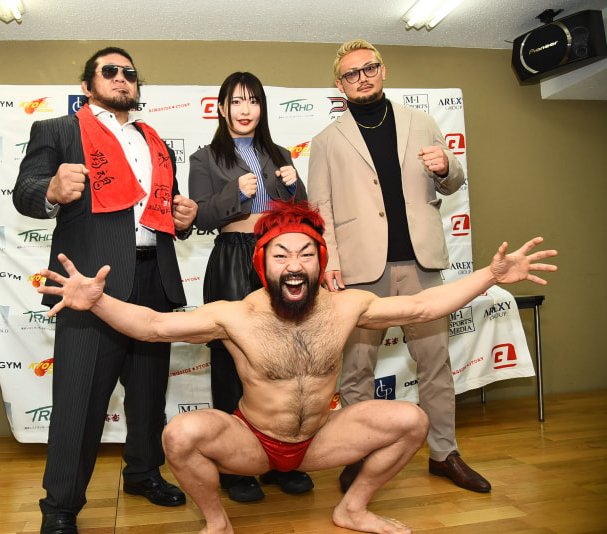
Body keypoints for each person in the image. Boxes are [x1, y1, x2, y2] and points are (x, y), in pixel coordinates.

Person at [37, 200, 557, 534]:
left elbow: (422, 307)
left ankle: (353, 508)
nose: (294, 264)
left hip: (319, 439)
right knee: (180, 434)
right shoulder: (234, 316)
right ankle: (217, 523)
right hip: (252, 443)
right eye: (281, 254)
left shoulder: (347, 306)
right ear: (263, 263)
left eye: (306, 254)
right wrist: (98, 302)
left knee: (411, 420)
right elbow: (152, 326)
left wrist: (490, 275)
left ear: (319, 262)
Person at [12, 46, 198, 534]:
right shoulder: (57, 129)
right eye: (109, 71)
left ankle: (143, 473)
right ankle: (60, 506)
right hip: (88, 284)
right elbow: (24, 191)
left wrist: (183, 220)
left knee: (148, 395)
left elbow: (165, 211)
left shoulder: (155, 141)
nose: (121, 78)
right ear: (87, 85)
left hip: (153, 279)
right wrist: (51, 191)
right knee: (79, 399)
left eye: (129, 73)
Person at [307, 39, 489, 493]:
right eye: (351, 73)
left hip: (421, 264)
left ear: (383, 70)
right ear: (339, 84)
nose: (362, 77)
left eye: (369, 68)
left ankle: (444, 453)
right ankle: (359, 454)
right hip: (360, 271)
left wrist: (446, 166)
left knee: (435, 364)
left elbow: (451, 182)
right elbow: (320, 207)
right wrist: (329, 260)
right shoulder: (327, 141)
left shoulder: (421, 122)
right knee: (356, 370)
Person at [188, 72, 312, 502]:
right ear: (221, 108)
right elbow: (200, 217)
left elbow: (303, 215)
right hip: (232, 257)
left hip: (279, 257)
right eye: (236, 101)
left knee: (286, 358)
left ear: (262, 108)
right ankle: (234, 468)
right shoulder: (205, 158)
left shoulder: (279, 154)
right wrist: (234, 193)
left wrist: (296, 189)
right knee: (231, 360)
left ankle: (283, 461)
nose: (245, 110)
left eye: (253, 101)